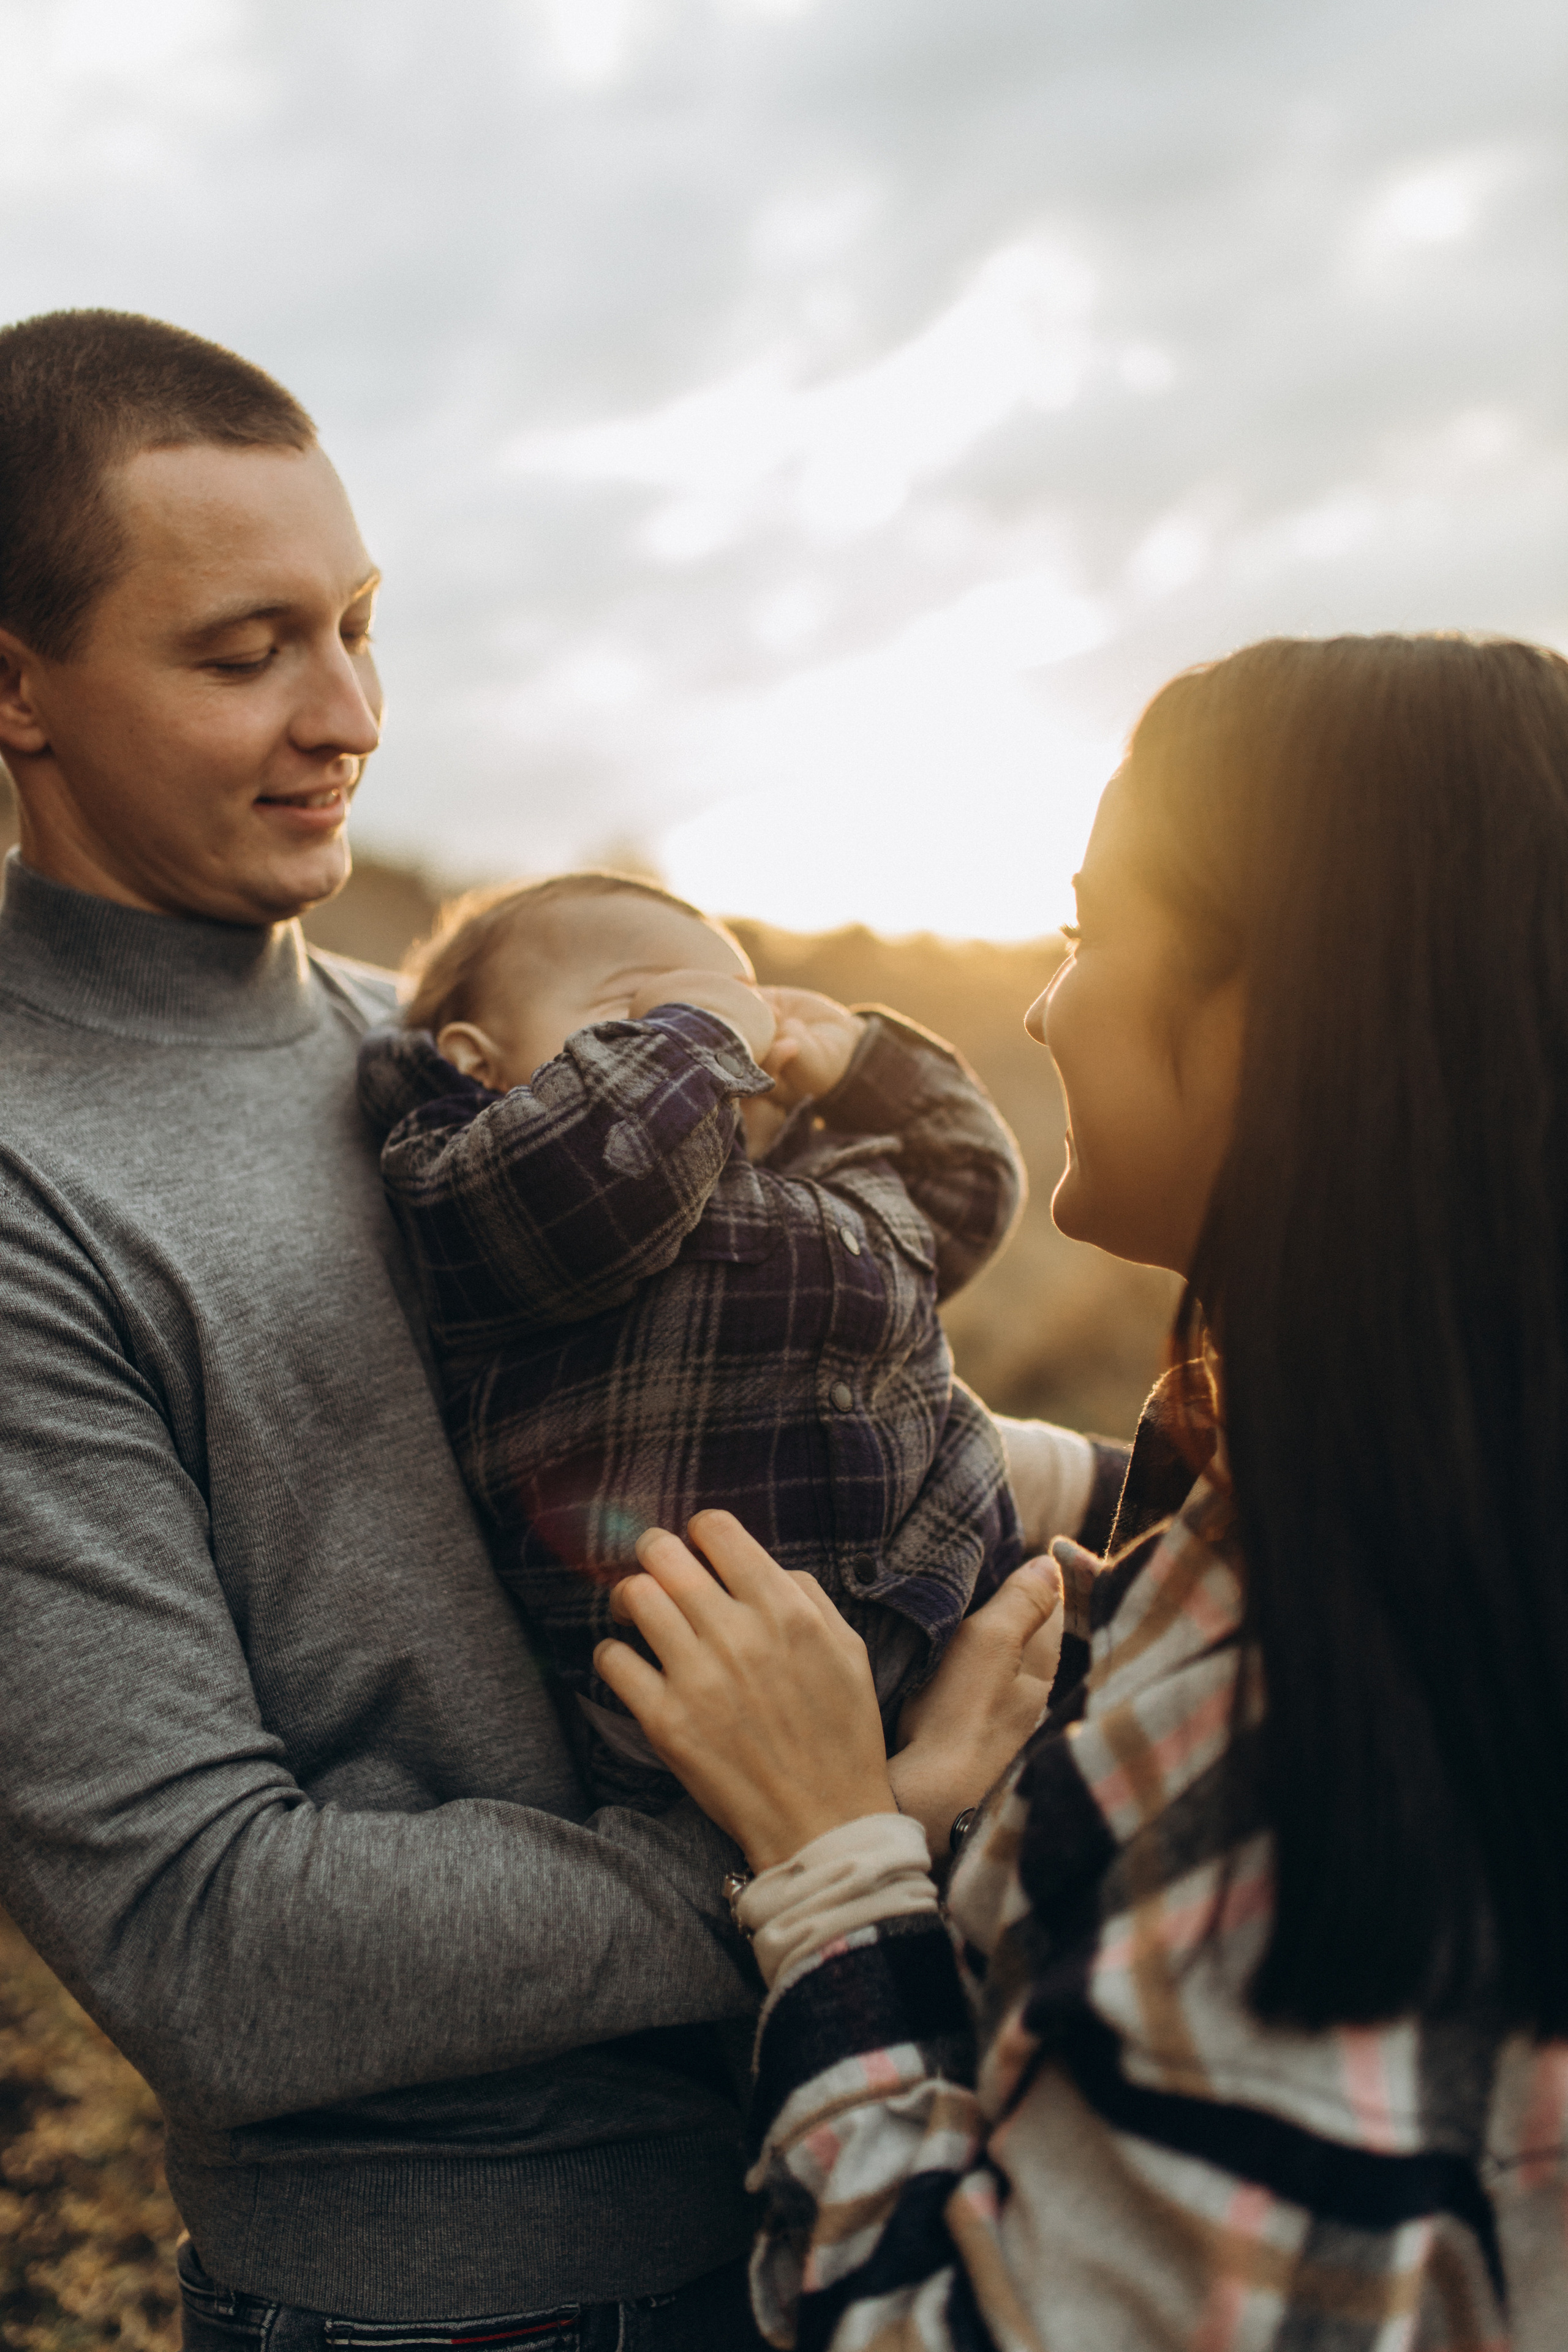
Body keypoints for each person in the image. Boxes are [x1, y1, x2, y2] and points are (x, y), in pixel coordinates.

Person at [0, 307, 1118, 2345]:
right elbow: (210, 1943)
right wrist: (846, 1827)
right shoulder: (28, 1197)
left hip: (857, 2177)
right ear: (17, 690)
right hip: (470, 2308)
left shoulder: (484, 1070)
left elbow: (838, 1428)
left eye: (357, 624)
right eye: (245, 655)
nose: (346, 712)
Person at [595, 634, 1568, 2347]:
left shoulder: (1317, 1748)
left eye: (1090, 931)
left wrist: (835, 1859)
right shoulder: (1402, 1526)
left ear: (1280, 1005)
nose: (1047, 1003)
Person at [356, 870, 1114, 1809]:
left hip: (979, 1597)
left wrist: (866, 1066)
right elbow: (591, 1184)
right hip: (736, 1719)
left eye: (742, 1010)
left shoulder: (806, 1171)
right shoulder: (481, 1180)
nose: (736, 1043)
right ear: (482, 1067)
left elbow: (967, 1194)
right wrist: (701, 1029)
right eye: (647, 1008)